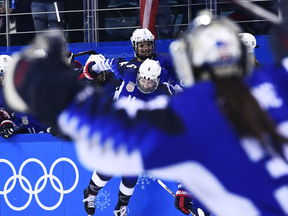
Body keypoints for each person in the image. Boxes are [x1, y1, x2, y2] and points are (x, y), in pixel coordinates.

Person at [4, 10, 288, 216]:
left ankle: (117, 203)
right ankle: (97, 194)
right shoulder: (274, 82)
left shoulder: (193, 106)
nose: (149, 82)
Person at [82, 57, 175, 216]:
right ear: (138, 75)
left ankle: (120, 207)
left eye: (150, 82)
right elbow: (109, 63)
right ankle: (90, 192)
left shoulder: (166, 93)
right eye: (143, 80)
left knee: (131, 173)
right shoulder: (130, 71)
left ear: (158, 80)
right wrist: (93, 68)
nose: (145, 85)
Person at [82, 28, 182, 93]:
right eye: (141, 45)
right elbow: (127, 88)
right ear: (134, 46)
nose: (146, 48)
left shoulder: (165, 59)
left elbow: (177, 82)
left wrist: (174, 92)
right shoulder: (129, 66)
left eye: (148, 44)